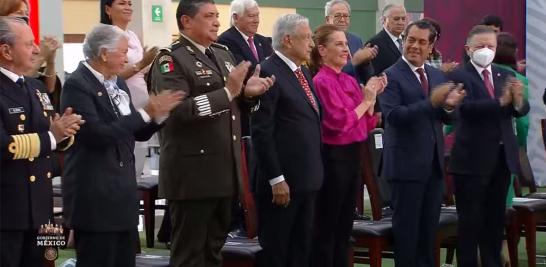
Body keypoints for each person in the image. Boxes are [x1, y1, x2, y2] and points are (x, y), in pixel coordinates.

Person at [147, 0, 274, 266]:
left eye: (217, 15)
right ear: (186, 21)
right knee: (189, 255)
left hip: (224, 172)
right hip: (192, 175)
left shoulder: (222, 52)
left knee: (214, 253)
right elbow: (179, 112)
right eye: (208, 16)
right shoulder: (170, 59)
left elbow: (235, 106)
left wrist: (248, 94)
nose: (217, 21)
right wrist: (228, 91)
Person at [60, 24, 183, 267]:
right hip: (96, 194)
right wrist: (145, 112)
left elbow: (134, 132)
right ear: (104, 53)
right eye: (123, 52)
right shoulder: (77, 84)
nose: (127, 58)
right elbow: (97, 134)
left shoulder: (117, 83)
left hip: (122, 193)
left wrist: (159, 115)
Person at [379, 20, 465, 267]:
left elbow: (446, 116)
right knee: (407, 238)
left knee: (428, 237)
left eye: (422, 42)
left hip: (434, 167)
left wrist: (449, 106)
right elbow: (394, 116)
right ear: (403, 40)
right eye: (411, 40)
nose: (415, 46)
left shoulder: (436, 74)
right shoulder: (390, 75)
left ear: (431, 46)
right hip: (406, 169)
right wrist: (432, 103)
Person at [0, 16, 83, 267]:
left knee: (47, 263)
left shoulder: (36, 88)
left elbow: (52, 136)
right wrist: (52, 136)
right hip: (7, 214)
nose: (37, 49)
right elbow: (4, 145)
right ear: (5, 51)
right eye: (29, 44)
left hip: (43, 211)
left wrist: (65, 133)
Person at [447, 25, 529, 267]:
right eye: (480, 46)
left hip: (502, 158)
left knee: (495, 221)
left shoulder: (505, 75)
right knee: (470, 222)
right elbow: (464, 110)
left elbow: (521, 109)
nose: (486, 50)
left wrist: (517, 101)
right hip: (471, 161)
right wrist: (500, 102)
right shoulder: (459, 76)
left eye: (490, 46)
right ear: (468, 48)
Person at [308, 24, 387, 267]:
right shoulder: (322, 81)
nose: (346, 49)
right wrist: (366, 102)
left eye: (346, 43)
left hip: (354, 158)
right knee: (328, 228)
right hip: (334, 160)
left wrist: (371, 100)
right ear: (322, 50)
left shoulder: (349, 80)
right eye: (339, 44)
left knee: (344, 228)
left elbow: (367, 123)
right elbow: (338, 123)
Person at [251, 14, 322, 267]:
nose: (312, 43)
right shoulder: (268, 72)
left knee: (300, 250)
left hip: (307, 179)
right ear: (288, 40)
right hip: (282, 184)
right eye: (307, 37)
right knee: (277, 253)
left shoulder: (302, 71)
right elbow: (261, 131)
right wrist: (276, 178)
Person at [100, 0, 159, 177]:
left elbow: (142, 70)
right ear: (108, 9)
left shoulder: (132, 35)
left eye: (130, 3)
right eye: (122, 3)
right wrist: (141, 64)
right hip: (120, 104)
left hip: (141, 102)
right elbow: (106, 76)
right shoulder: (103, 36)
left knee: (138, 162)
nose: (128, 7)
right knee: (123, 163)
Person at [324, 0, 376, 84]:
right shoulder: (321, 42)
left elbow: (366, 77)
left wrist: (365, 62)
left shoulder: (356, 40)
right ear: (327, 19)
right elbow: (328, 75)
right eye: (337, 16)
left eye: (346, 16)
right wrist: (354, 61)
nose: (342, 19)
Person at [367, 4, 406, 76]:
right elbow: (372, 75)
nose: (401, 22)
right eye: (396, 19)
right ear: (384, 20)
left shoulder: (408, 40)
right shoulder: (374, 43)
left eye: (403, 19)